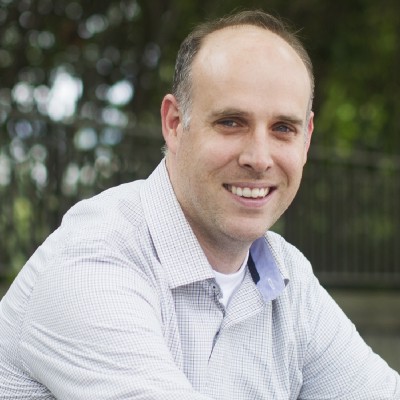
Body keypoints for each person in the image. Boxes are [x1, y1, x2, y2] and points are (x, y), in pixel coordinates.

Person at [0, 9, 399, 400]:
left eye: (283, 128)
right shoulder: (93, 261)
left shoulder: (286, 276)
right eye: (231, 122)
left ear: (307, 138)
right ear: (174, 124)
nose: (259, 158)